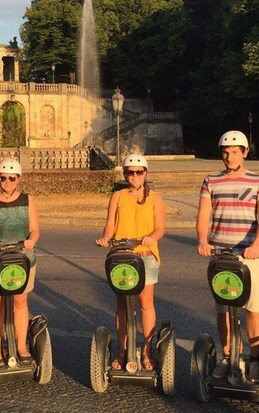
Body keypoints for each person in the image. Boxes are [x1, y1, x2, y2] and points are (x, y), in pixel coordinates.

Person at [195, 130, 259, 383]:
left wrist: (256, 245)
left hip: (248, 256)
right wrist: (202, 241)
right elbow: (203, 215)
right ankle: (228, 355)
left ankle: (254, 360)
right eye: (225, 152)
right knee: (223, 309)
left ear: (245, 153)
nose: (229, 157)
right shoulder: (211, 181)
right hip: (220, 255)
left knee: (253, 309)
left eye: (234, 152)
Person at [96, 153, 165, 371]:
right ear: (125, 174)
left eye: (139, 172)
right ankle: (123, 349)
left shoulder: (155, 198)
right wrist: (106, 237)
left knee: (145, 303)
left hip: (145, 255)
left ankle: (146, 348)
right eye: (130, 172)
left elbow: (160, 228)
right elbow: (110, 224)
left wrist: (151, 237)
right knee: (123, 305)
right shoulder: (117, 196)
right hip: (122, 255)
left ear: (145, 173)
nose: (134, 176)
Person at [0, 157, 40, 368]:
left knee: (20, 301)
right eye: (3, 178)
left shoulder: (28, 200)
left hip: (22, 257)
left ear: (18, 179)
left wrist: (31, 240)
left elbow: (35, 228)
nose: (7, 181)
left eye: (11, 178)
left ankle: (21, 346)